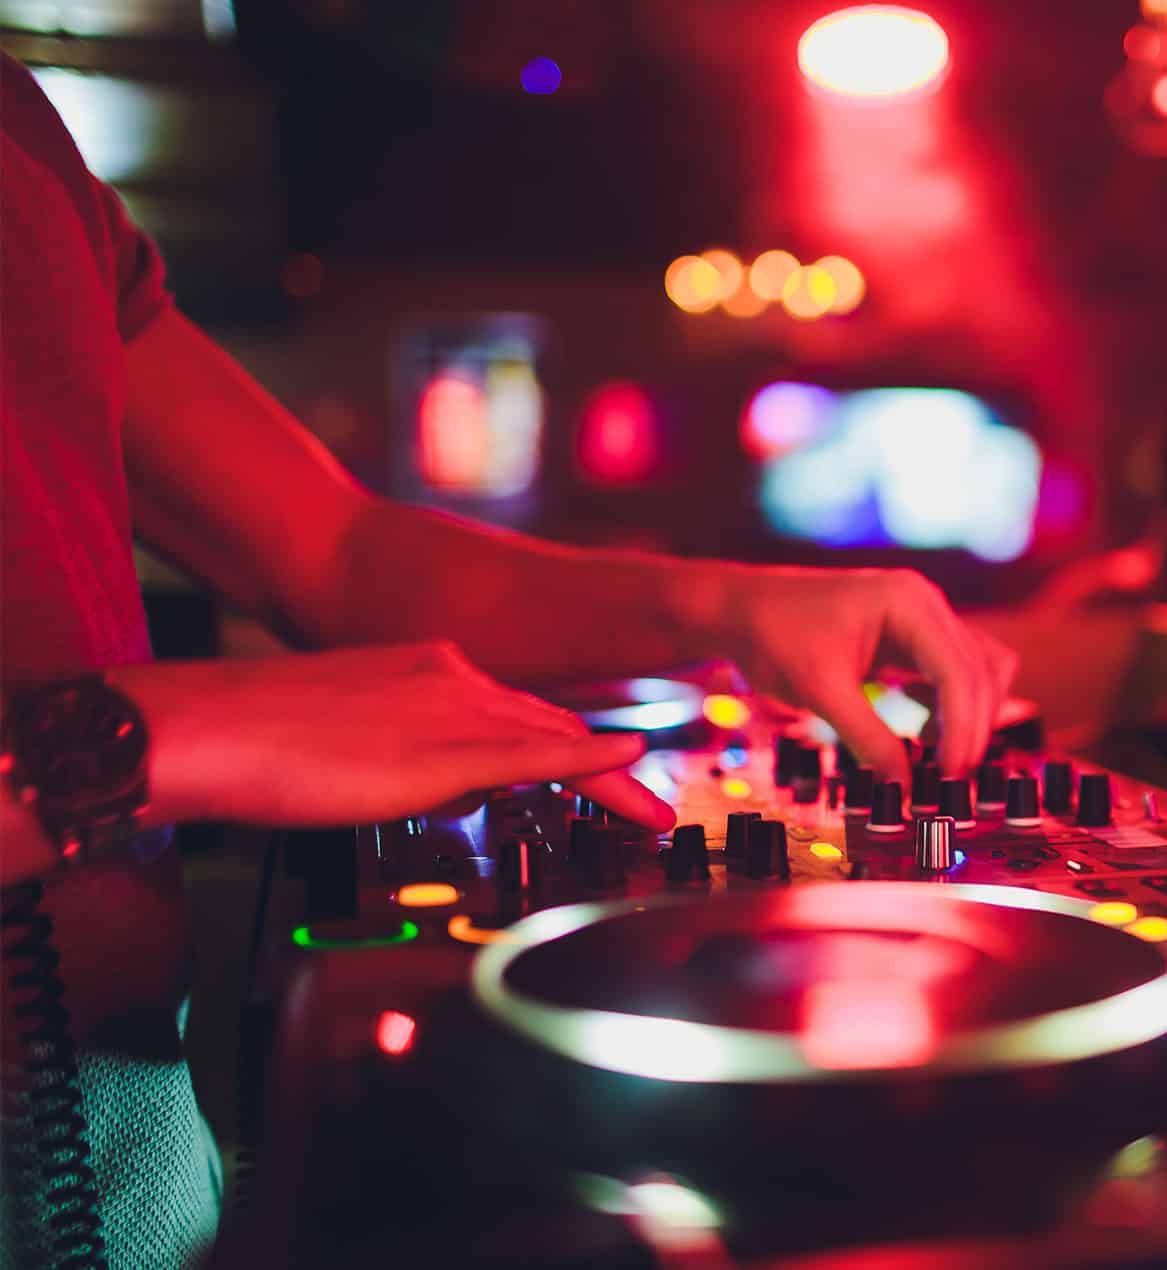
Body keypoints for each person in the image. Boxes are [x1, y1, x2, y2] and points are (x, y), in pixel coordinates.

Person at [0, 53, 1016, 1269]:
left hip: (127, 1109)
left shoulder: (26, 132)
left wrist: (734, 603)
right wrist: (164, 737)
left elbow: (337, 550)